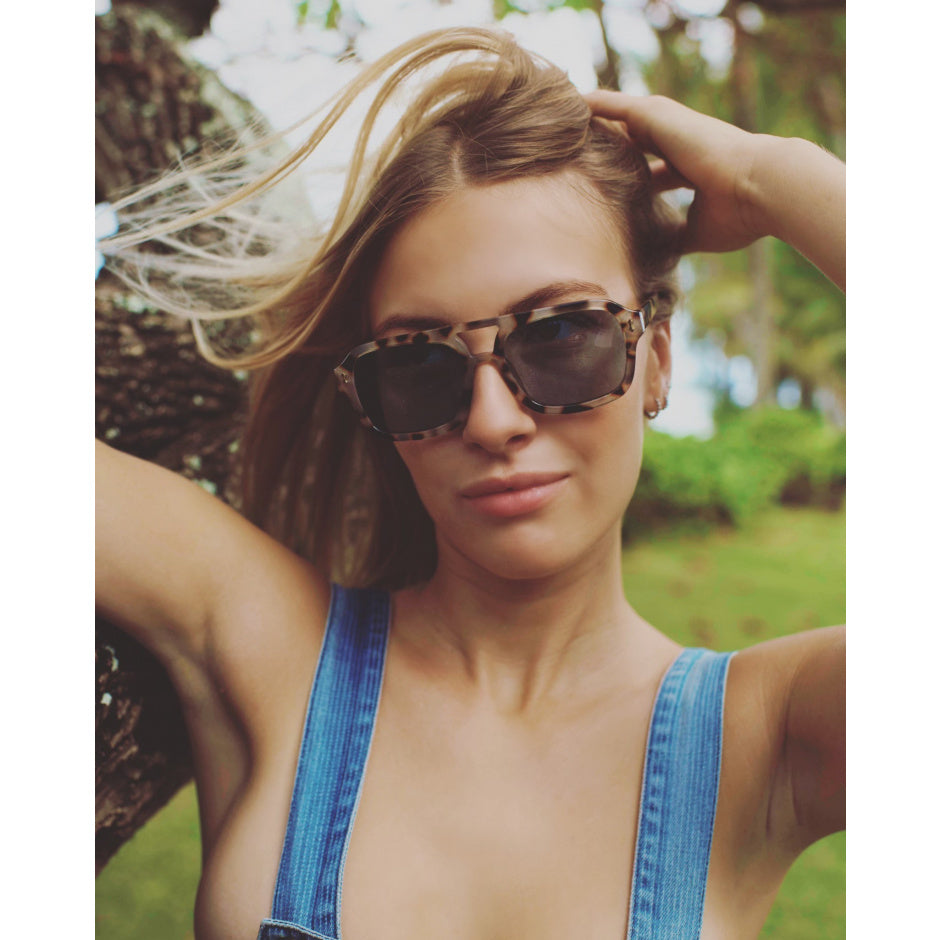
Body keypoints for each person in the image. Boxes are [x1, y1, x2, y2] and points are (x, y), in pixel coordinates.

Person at [95, 26, 845, 940]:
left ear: (654, 360)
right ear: (369, 400)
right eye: (420, 364)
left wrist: (776, 175)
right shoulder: (267, 644)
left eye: (561, 335)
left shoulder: (762, 735)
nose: (493, 421)